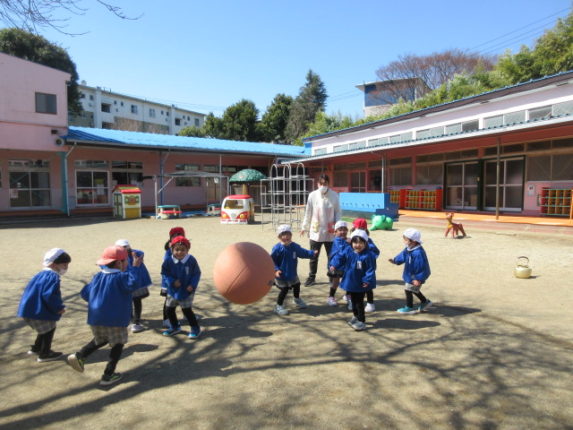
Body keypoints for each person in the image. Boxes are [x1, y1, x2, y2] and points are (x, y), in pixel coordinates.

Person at [67, 245, 143, 386]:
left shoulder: (97, 277)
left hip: (96, 318)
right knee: (118, 344)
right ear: (119, 263)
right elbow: (133, 284)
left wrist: (98, 300)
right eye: (126, 261)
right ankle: (108, 375)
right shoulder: (121, 277)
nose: (127, 263)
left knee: (101, 339)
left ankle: (80, 355)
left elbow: (85, 294)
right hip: (115, 319)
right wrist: (136, 267)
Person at [17, 248, 71, 362]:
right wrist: (59, 308)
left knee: (45, 329)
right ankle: (45, 354)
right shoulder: (52, 276)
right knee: (49, 329)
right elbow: (49, 295)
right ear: (53, 264)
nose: (66, 267)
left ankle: (36, 348)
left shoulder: (41, 274)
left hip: (28, 309)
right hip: (38, 311)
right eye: (64, 264)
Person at [329, 230, 377, 331]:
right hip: (351, 281)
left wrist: (367, 280)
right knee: (353, 301)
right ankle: (355, 316)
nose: (357, 245)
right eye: (355, 242)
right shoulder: (348, 250)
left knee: (359, 302)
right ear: (351, 243)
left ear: (365, 243)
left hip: (361, 283)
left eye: (360, 243)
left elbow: (370, 270)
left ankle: (361, 321)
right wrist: (334, 265)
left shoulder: (368, 255)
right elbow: (340, 257)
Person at [300, 174, 341, 287]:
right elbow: (308, 212)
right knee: (313, 256)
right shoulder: (312, 195)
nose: (323, 185)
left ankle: (331, 276)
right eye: (321, 183)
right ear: (317, 184)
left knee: (331, 256)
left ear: (328, 184)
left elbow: (338, 212)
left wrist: (337, 227)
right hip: (316, 230)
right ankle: (311, 277)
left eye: (325, 183)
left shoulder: (334, 195)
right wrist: (304, 227)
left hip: (330, 231)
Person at [161, 236, 202, 338]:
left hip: (186, 291)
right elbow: (164, 273)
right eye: (177, 249)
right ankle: (175, 326)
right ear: (172, 249)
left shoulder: (191, 260)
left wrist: (192, 285)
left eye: (183, 250)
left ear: (187, 250)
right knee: (169, 309)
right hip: (172, 291)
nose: (179, 252)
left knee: (186, 310)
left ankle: (195, 328)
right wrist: (171, 281)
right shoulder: (168, 261)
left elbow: (196, 273)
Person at [271, 224, 316, 316]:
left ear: (291, 235)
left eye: (288, 234)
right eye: (283, 234)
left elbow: (303, 252)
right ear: (279, 237)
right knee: (284, 289)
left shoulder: (294, 246)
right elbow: (272, 261)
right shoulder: (277, 248)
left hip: (292, 273)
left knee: (297, 285)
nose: (286, 236)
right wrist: (276, 270)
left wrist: (312, 253)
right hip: (281, 275)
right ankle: (278, 306)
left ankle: (296, 299)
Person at [388, 228, 432, 315]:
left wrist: (418, 278)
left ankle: (409, 307)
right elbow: (403, 255)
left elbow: (421, 267)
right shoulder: (409, 248)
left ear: (413, 241)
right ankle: (425, 301)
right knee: (413, 289)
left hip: (415, 276)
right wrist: (395, 260)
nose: (404, 241)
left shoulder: (418, 253)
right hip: (410, 274)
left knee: (408, 290)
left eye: (406, 239)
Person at [115, 239, 152, 333]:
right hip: (126, 282)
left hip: (136, 281)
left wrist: (134, 253)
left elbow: (141, 253)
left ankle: (136, 322)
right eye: (121, 247)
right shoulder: (116, 258)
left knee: (136, 301)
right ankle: (132, 319)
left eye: (125, 247)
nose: (124, 249)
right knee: (128, 302)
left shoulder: (134, 254)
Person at [350, 218, 380, 313]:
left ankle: (370, 303)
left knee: (368, 286)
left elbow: (376, 252)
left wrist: (369, 257)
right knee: (353, 284)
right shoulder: (352, 240)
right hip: (355, 269)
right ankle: (353, 301)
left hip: (366, 268)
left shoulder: (368, 241)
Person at [162, 227, 186, 328]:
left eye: (180, 236)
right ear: (171, 238)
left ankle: (186, 315)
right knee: (169, 301)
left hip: (181, 280)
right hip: (170, 281)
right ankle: (166, 319)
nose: (178, 238)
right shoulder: (169, 252)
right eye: (175, 236)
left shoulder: (183, 249)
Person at [326, 220, 349, 306]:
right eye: (340, 230)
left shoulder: (346, 240)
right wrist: (349, 243)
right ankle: (331, 297)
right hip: (337, 265)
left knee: (349, 280)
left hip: (346, 265)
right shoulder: (337, 240)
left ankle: (348, 295)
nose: (343, 232)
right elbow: (342, 251)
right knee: (335, 282)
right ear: (335, 232)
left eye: (345, 229)